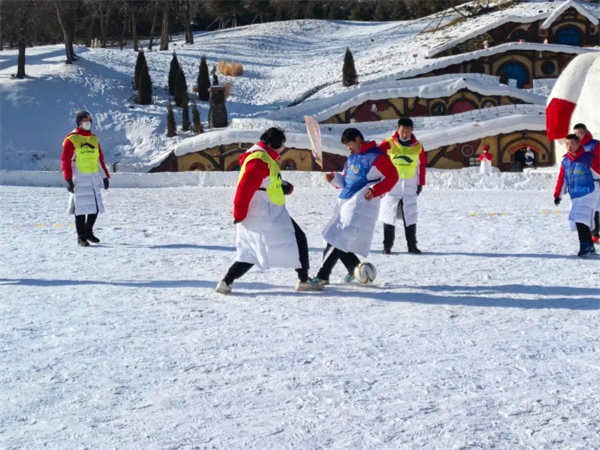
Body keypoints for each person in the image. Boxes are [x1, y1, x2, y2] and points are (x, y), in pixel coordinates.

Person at [216, 128, 323, 294]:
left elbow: (265, 181)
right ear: (275, 144)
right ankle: (303, 280)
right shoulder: (260, 159)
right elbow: (245, 186)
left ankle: (226, 282)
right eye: (282, 145)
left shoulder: (260, 156)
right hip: (265, 212)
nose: (283, 148)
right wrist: (238, 212)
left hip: (259, 210)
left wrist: (284, 186)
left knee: (251, 250)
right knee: (298, 238)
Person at [312, 128, 398, 285]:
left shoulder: (377, 156)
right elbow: (347, 181)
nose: (348, 148)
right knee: (334, 236)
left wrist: (375, 190)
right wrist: (334, 178)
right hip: (346, 201)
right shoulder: (351, 158)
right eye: (346, 146)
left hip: (361, 204)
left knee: (339, 236)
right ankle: (353, 268)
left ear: (358, 139)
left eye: (349, 144)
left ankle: (323, 275)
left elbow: (393, 176)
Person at [377, 118, 426, 254]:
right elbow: (377, 159)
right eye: (403, 131)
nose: (405, 134)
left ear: (412, 131)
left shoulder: (418, 146)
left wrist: (421, 183)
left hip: (410, 184)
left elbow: (421, 166)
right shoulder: (388, 143)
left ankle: (412, 245)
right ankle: (387, 246)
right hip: (391, 184)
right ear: (398, 129)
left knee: (410, 215)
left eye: (408, 131)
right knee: (388, 214)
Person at [61, 111, 110, 247]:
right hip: (80, 178)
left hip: (93, 178)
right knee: (81, 209)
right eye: (84, 120)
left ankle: (89, 232)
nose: (87, 123)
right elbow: (66, 160)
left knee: (95, 207)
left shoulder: (94, 139)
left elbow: (99, 159)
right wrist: (69, 179)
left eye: (89, 120)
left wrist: (105, 176)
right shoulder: (72, 139)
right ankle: (81, 237)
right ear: (79, 122)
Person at [554, 134, 600, 257]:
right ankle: (590, 246)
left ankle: (584, 246)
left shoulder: (589, 158)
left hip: (590, 191)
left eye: (572, 143)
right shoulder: (566, 161)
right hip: (575, 194)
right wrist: (557, 195)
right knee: (580, 219)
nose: (569, 146)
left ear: (579, 144)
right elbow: (562, 179)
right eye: (567, 144)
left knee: (581, 218)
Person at [573, 123, 600, 244]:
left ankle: (595, 233)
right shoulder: (574, 145)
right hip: (581, 181)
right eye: (575, 133)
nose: (578, 135)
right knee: (585, 208)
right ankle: (589, 233)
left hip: (596, 179)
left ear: (586, 132)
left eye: (580, 132)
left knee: (596, 207)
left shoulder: (595, 144)